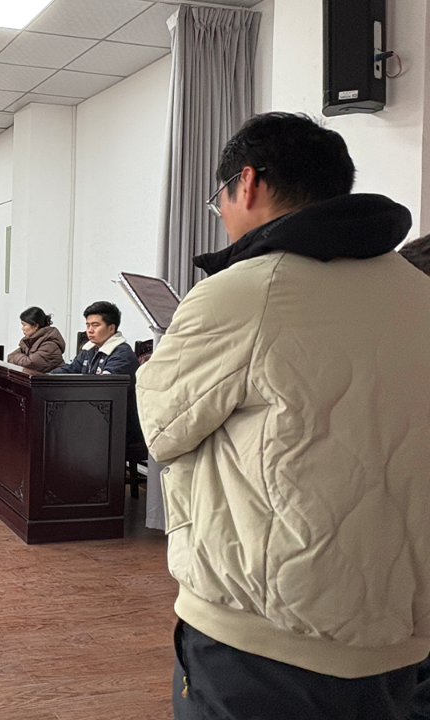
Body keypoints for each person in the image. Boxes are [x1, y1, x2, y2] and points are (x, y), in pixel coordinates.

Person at [136, 112, 430, 720]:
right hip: (399, 630)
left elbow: (161, 428)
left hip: (264, 640)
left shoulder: (243, 290)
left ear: (246, 183)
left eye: (219, 198)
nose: (221, 214)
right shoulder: (416, 289)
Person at [49, 302, 136, 376]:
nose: (89, 330)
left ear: (111, 329)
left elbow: (105, 386)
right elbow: (70, 369)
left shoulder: (122, 354)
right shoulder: (89, 349)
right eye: (88, 325)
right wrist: (47, 377)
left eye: (95, 325)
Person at [5, 306, 65, 372]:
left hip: (47, 378)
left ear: (36, 326)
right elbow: (8, 357)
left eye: (24, 325)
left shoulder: (50, 345)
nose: (22, 328)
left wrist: (17, 357)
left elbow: (28, 364)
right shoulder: (29, 341)